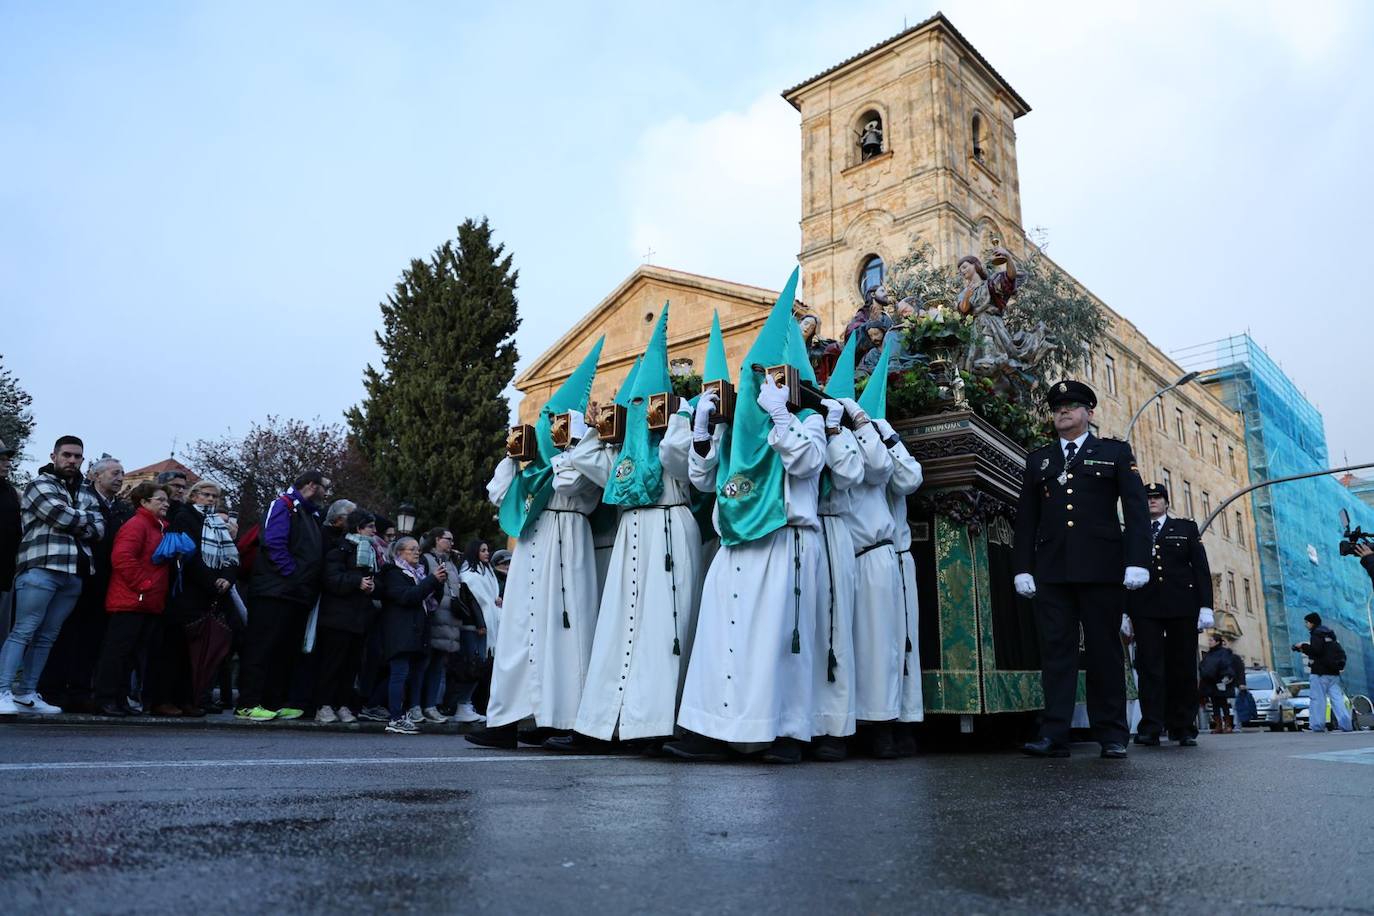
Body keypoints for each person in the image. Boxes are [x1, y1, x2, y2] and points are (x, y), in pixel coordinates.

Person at [668, 271, 826, 765]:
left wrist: (781, 416)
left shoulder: (809, 420)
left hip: (782, 539)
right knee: (722, 637)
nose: (759, 385)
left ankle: (782, 731)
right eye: (754, 377)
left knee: (773, 641)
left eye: (770, 377)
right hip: (736, 542)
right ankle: (708, 727)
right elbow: (706, 482)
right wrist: (702, 434)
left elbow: (808, 463)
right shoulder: (738, 428)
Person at [547, 306, 705, 754]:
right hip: (631, 532)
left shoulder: (678, 434)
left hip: (669, 527)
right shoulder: (627, 455)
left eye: (646, 403)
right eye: (635, 405)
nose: (640, 413)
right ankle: (602, 723)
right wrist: (593, 432)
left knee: (662, 629)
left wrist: (676, 418)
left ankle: (654, 723)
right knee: (617, 628)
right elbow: (595, 469)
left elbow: (679, 464)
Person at [467, 339, 606, 750]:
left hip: (568, 543)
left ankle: (562, 718)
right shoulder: (531, 472)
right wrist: (512, 457)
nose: (551, 428)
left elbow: (572, 484)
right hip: (532, 547)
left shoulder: (582, 456)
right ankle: (507, 719)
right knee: (519, 633)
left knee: (566, 629)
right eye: (548, 422)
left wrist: (573, 444)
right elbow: (497, 494)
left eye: (558, 422)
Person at [1013, 381, 1150, 759]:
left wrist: (1138, 560)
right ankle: (1054, 733)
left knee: (1105, 651)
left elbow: (1136, 511)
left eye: (1072, 406)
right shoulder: (1039, 460)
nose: (1063, 411)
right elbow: (1027, 519)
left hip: (1102, 569)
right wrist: (1023, 567)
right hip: (1052, 571)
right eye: (1058, 407)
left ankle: (1111, 733)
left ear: (1089, 412)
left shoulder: (1114, 453)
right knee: (1057, 651)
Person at [0, 436, 105, 716]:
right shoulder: (38, 484)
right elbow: (60, 516)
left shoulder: (86, 491)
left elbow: (100, 528)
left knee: (47, 635)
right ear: (54, 456)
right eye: (67, 455)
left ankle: (26, 692)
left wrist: (78, 520)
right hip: (41, 567)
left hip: (75, 572)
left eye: (77, 456)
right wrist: (82, 520)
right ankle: (2, 691)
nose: (72, 460)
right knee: (24, 630)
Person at [40, 456, 132, 713]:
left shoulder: (123, 509)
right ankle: (52, 690)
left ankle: (80, 691)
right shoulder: (83, 499)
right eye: (114, 472)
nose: (120, 477)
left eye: (122, 473)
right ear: (96, 475)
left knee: (91, 639)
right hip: (80, 573)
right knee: (64, 634)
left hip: (106, 582)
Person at [235, 470, 329, 721]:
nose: (326, 492)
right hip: (274, 591)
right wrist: (293, 575)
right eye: (324, 487)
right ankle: (248, 702)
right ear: (311, 485)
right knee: (261, 646)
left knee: (284, 650)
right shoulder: (283, 505)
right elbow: (274, 543)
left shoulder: (311, 514)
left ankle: (273, 701)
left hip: (296, 593)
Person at [1125, 483, 1213, 747]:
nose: (1152, 501)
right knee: (1149, 667)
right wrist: (1124, 611)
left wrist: (1205, 606)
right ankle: (1151, 726)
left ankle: (1183, 726)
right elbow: (1125, 571)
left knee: (1183, 667)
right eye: (1147, 498)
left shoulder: (1185, 528)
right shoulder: (1133, 531)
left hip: (1181, 606)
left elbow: (1200, 569)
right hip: (1145, 606)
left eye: (1156, 497)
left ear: (1166, 502)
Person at [92, 483, 172, 716]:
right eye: (160, 499)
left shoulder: (159, 528)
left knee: (130, 655)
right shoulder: (137, 525)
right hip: (131, 600)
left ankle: (120, 699)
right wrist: (144, 585)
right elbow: (122, 557)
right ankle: (105, 698)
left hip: (146, 602)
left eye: (166, 499)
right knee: (117, 653)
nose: (166, 503)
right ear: (144, 502)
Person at [163, 480, 239, 716]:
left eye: (214, 496)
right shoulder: (185, 517)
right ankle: (175, 698)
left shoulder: (217, 522)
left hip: (212, 593)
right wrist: (211, 582)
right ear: (194, 496)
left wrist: (227, 578)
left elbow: (231, 554)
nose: (210, 500)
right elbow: (189, 554)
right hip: (190, 591)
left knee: (200, 650)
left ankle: (193, 697)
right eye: (206, 495)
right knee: (179, 650)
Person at [314, 509, 380, 723]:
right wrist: (356, 582)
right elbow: (331, 579)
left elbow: (377, 581)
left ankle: (342, 704)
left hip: (359, 619)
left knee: (351, 666)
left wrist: (373, 588)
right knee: (332, 664)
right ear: (359, 527)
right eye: (370, 526)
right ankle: (323, 705)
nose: (374, 531)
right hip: (338, 618)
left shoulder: (371, 553)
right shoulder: (339, 550)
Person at [378, 536, 445, 735]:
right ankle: (395, 718)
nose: (417, 552)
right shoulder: (393, 574)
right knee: (399, 674)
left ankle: (386, 709)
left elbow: (431, 601)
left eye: (418, 549)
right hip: (400, 631)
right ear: (399, 553)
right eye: (411, 549)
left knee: (404, 675)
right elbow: (409, 597)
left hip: (416, 631)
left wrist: (438, 583)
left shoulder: (418, 574)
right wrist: (432, 580)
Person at [419, 527, 462, 724]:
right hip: (432, 618)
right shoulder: (426, 559)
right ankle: (416, 705)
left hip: (449, 620)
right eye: (448, 539)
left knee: (437, 666)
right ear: (436, 539)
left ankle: (431, 705)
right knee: (423, 665)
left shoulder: (452, 562)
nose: (451, 543)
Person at [452, 539, 497, 724]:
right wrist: (481, 624)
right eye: (483, 550)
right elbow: (474, 602)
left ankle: (466, 703)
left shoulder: (487, 573)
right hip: (475, 627)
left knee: (479, 665)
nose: (487, 553)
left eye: (488, 550)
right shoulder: (470, 575)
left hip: (483, 625)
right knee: (473, 665)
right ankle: (462, 704)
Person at [1293, 612, 1354, 733]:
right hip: (1333, 674)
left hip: (1319, 673)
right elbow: (1337, 652)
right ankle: (1346, 725)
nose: (1306, 625)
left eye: (1307, 622)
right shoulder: (1330, 636)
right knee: (1337, 699)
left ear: (1312, 623)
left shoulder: (1316, 634)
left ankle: (1317, 726)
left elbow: (1317, 651)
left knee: (1318, 699)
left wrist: (1303, 646)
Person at [1199, 634, 1244, 733]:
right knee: (1215, 705)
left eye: (1211, 640)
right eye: (1209, 640)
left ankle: (1228, 725)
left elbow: (1227, 666)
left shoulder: (1224, 653)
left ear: (1217, 642)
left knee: (1224, 704)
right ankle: (1218, 725)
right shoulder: (1208, 654)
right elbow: (1204, 666)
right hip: (1211, 683)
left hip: (1222, 682)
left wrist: (1225, 678)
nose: (1209, 642)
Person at [0, 440, 18, 644]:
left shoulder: (11, 492)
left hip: (5, 576)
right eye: (1, 459)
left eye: (7, 459)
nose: (7, 464)